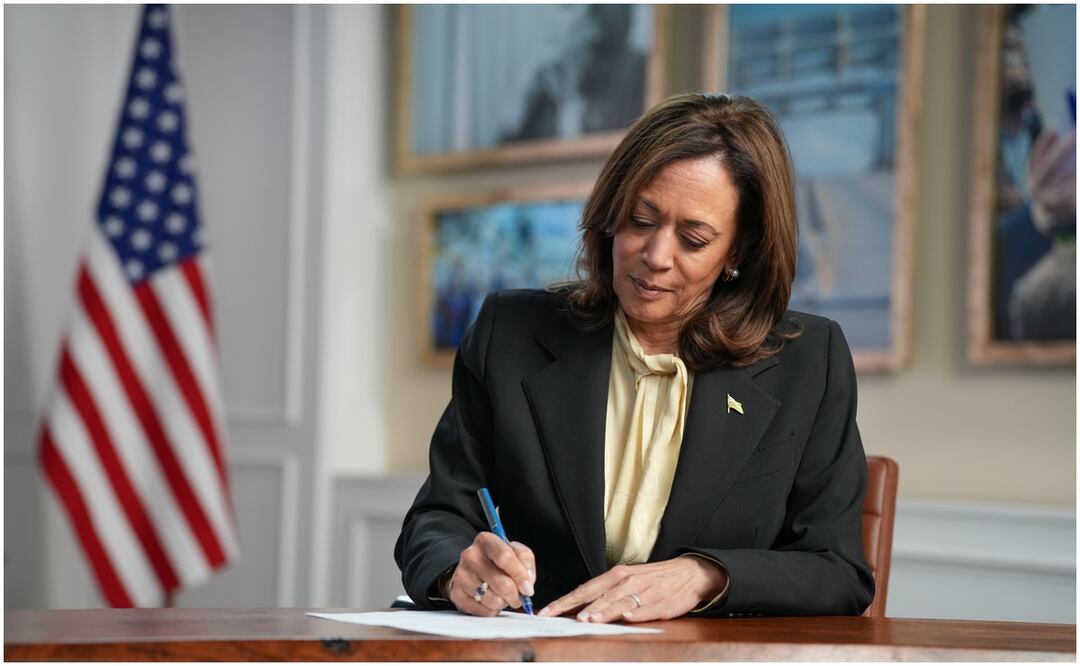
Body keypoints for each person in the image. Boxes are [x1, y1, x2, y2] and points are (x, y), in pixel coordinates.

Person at [396, 93, 874, 622]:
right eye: (641, 221)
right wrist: (456, 569)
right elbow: (438, 518)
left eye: (694, 239)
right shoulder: (510, 333)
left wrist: (704, 575)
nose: (655, 256)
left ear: (738, 251)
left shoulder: (808, 362)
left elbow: (838, 570)